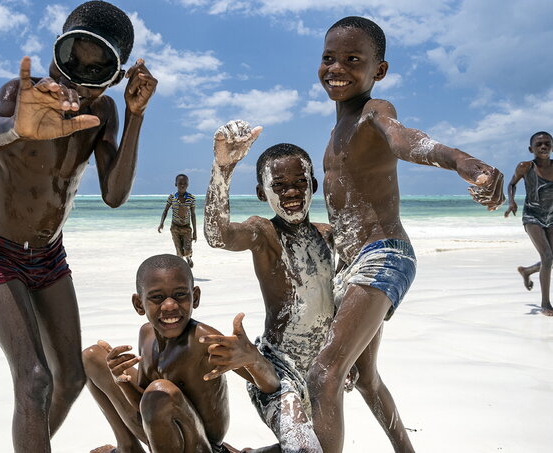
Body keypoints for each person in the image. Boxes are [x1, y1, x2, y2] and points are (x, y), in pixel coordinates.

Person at [306, 16, 505, 452]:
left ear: (378, 71)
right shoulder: (335, 132)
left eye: (352, 59)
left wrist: (459, 160)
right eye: (328, 58)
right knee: (363, 377)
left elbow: (403, 140)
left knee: (325, 374)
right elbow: (349, 208)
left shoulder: (374, 112)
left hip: (385, 255)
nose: (336, 67)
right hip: (352, 263)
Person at [0, 2, 157, 452]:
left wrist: (135, 116)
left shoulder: (104, 114)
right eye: (71, 59)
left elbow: (114, 195)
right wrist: (17, 128)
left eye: (96, 68)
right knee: (33, 379)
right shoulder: (22, 94)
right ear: (55, 53)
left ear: (115, 76)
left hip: (49, 254)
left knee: (68, 378)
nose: (76, 78)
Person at [201, 119, 415, 452]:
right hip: (277, 372)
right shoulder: (264, 234)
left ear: (313, 185)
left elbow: (353, 292)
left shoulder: (329, 236)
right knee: (305, 447)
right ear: (262, 193)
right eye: (280, 184)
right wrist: (222, 170)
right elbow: (218, 236)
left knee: (322, 439)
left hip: (322, 372)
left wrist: (347, 359)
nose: (291, 192)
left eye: (300, 182)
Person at [82, 254, 279, 453]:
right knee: (92, 357)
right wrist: (121, 380)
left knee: (160, 392)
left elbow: (272, 385)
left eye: (180, 294)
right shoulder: (146, 334)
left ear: (196, 297)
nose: (170, 306)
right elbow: (144, 406)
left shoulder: (204, 340)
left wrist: (252, 359)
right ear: (139, 304)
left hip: (202, 446)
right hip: (159, 428)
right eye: (157, 297)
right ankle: (128, 447)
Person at [504, 131, 553, 315]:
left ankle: (527, 271)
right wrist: (511, 201)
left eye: (547, 144)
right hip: (532, 215)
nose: (543, 147)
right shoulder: (525, 167)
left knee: (551, 259)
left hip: (551, 216)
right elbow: (511, 184)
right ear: (531, 149)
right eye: (539, 144)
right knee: (547, 257)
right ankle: (545, 304)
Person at [158, 174, 197, 267]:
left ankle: (188, 257)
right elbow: (165, 210)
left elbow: (193, 214)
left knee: (187, 250)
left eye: (185, 183)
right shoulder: (172, 197)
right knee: (179, 252)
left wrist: (195, 232)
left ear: (188, 184)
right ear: (176, 184)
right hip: (175, 227)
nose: (182, 185)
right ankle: (182, 270)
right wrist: (161, 223)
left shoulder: (191, 198)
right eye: (180, 183)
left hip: (186, 228)